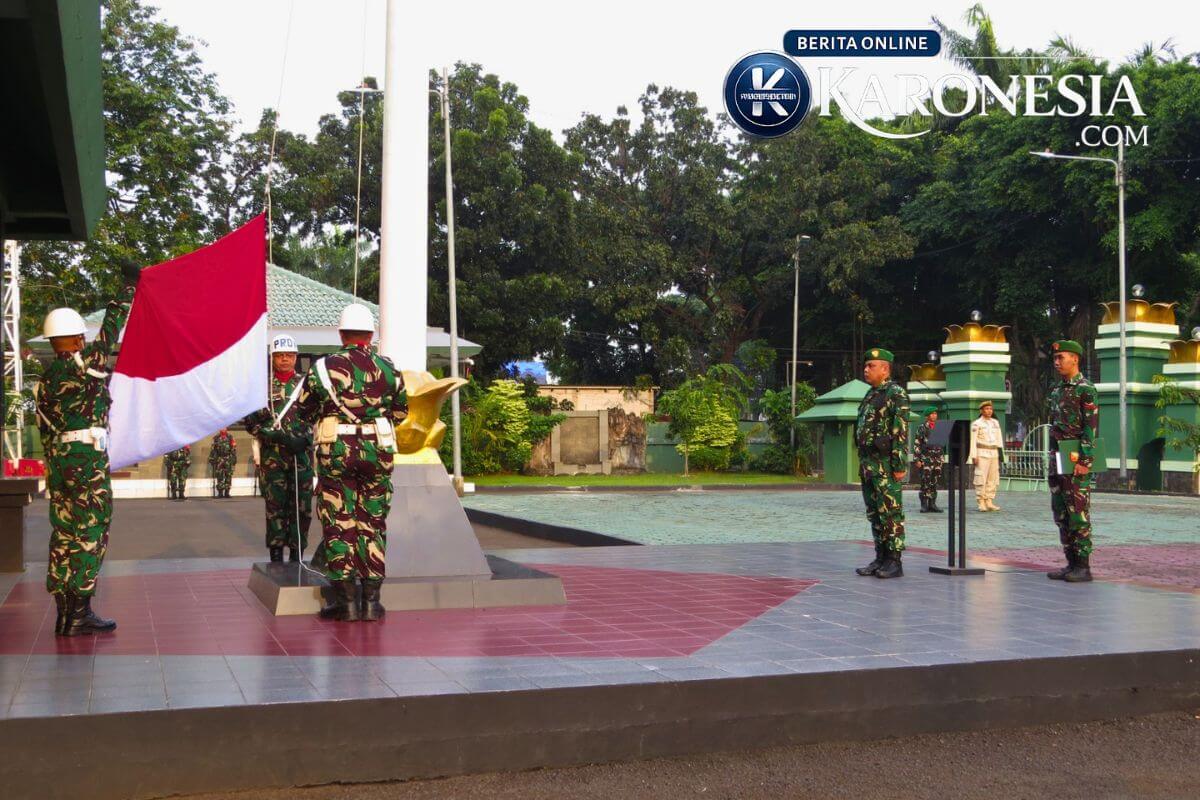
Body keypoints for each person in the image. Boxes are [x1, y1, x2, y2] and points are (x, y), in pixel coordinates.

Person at [33, 262, 138, 637]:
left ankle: (65, 612)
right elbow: (111, 331)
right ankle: (80, 611)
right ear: (77, 340)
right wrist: (127, 288)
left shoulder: (44, 381)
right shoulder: (83, 366)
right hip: (86, 462)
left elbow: (45, 433)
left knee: (63, 532)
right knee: (91, 530)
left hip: (59, 464)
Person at [293, 304, 407, 621]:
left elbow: (303, 411)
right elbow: (400, 413)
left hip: (336, 452)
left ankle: (346, 603)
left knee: (339, 523)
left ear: (341, 334)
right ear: (371, 335)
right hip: (377, 451)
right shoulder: (390, 369)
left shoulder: (321, 368)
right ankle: (371, 602)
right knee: (373, 523)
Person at [242, 335, 314, 563]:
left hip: (301, 457)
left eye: (289, 355)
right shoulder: (261, 387)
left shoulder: (307, 385)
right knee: (275, 508)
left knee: (301, 508)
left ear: (296, 357)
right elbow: (250, 423)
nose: (285, 360)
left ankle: (297, 554)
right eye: (280, 355)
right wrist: (271, 434)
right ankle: (275, 554)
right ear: (272, 358)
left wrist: (305, 438)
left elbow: (319, 417)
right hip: (272, 459)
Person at [854, 347, 910, 579]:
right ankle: (880, 557)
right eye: (866, 366)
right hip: (868, 463)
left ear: (885, 369)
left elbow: (900, 432)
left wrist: (899, 466)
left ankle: (894, 561)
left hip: (886, 463)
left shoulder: (895, 393)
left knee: (890, 513)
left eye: (871, 366)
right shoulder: (870, 394)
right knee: (874, 513)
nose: (866, 370)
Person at [1046, 340, 1099, 583]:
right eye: (1055, 358)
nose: (1057, 362)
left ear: (1075, 359)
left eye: (1062, 358)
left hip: (1075, 458)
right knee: (1061, 512)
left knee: (1077, 511)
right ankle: (1070, 562)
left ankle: (1083, 566)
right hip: (1058, 458)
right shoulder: (1057, 390)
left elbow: (1090, 428)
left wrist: (1085, 460)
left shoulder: (1085, 389)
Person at [969, 400, 1004, 512]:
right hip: (982, 452)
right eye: (987, 409)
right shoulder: (976, 424)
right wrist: (974, 455)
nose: (989, 411)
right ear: (982, 410)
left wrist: (1000, 454)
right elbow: (973, 441)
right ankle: (981, 501)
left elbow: (999, 439)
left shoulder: (995, 423)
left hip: (993, 452)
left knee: (993, 478)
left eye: (990, 409)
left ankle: (989, 500)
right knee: (981, 477)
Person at [914, 406, 944, 513]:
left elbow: (941, 444)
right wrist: (917, 459)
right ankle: (924, 504)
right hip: (926, 458)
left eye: (935, 413)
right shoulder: (922, 427)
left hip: (937, 458)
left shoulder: (939, 427)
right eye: (932, 414)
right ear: (927, 416)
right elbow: (917, 443)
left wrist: (941, 457)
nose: (934, 415)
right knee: (925, 481)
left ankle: (932, 503)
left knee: (934, 481)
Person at [208, 428, 237, 498]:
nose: (223, 429)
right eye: (222, 427)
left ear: (226, 429)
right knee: (219, 476)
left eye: (224, 428)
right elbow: (213, 449)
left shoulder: (230, 437)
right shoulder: (216, 438)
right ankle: (220, 492)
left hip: (228, 459)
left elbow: (233, 449)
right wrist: (212, 459)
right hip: (219, 459)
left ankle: (227, 492)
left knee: (228, 476)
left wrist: (234, 459)